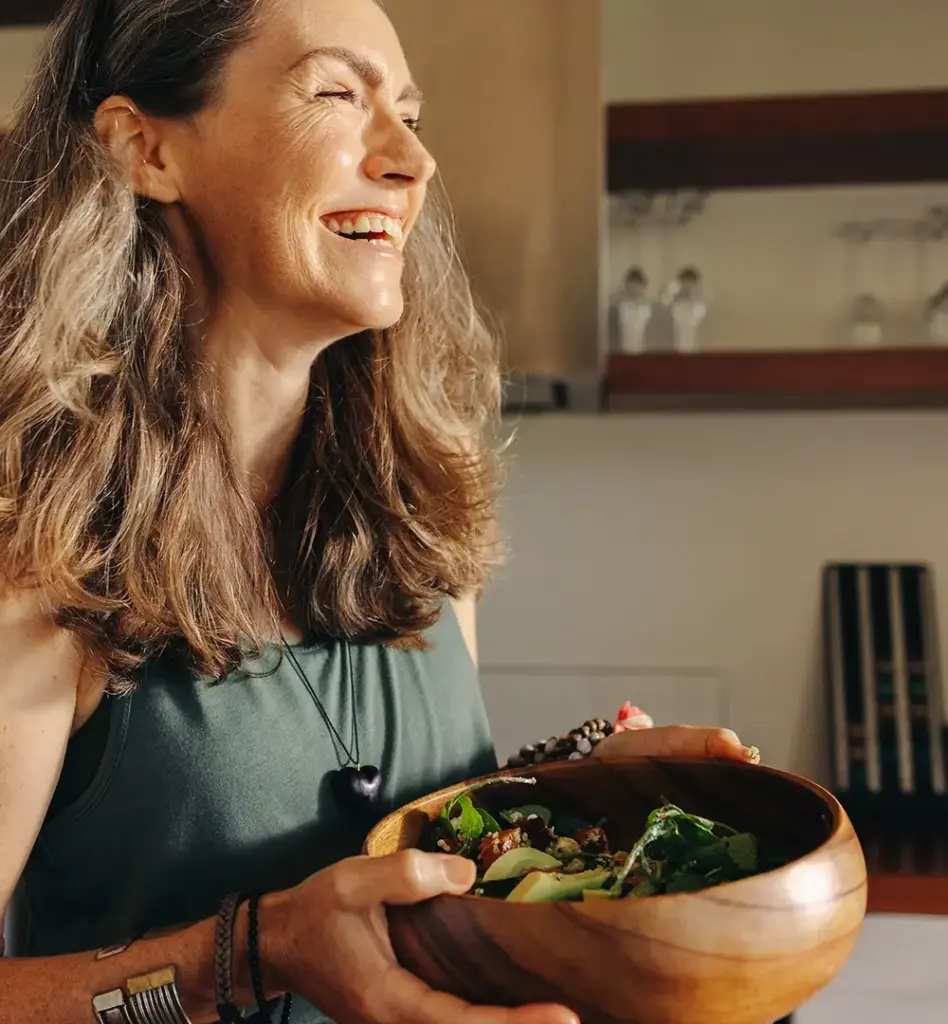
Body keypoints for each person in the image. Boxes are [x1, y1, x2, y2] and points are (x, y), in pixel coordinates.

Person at [0, 1, 760, 1022]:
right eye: (337, 94)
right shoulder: (37, 549)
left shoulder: (419, 514)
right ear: (147, 150)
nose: (412, 157)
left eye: (409, 110)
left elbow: (422, 853)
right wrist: (250, 953)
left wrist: (579, 792)